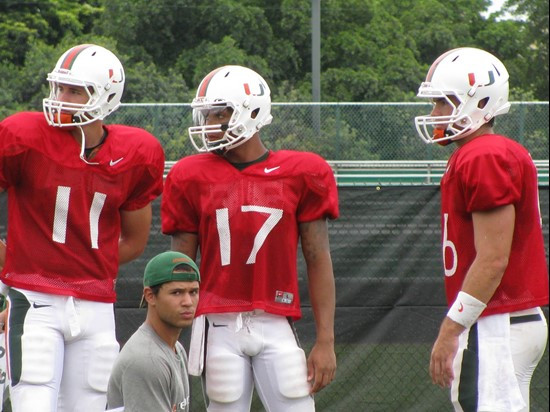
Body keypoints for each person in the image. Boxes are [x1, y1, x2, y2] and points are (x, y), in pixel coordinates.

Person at [161, 65, 339, 411]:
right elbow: (179, 269)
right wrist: (166, 340)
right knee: (224, 403)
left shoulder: (303, 172)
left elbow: (318, 259)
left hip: (276, 318)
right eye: (206, 113)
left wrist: (326, 339)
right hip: (218, 322)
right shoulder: (190, 175)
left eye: (219, 112)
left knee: (296, 402)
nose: (209, 122)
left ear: (251, 111)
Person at [0, 43, 165, 411]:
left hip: (96, 306)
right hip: (35, 301)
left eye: (75, 90)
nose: (61, 97)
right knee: (34, 400)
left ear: (106, 96)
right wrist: (11, 266)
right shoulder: (23, 135)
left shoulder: (136, 152)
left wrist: (81, 265)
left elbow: (135, 241)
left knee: (91, 406)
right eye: (59, 87)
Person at [414, 47, 549, 411]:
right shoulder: (478, 153)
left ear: (478, 101)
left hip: (497, 322)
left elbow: (491, 260)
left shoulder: (483, 154)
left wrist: (451, 328)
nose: (435, 114)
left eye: (443, 103)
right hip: (505, 319)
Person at [107, 251, 200, 412]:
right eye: (176, 292)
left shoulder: (177, 348)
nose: (188, 302)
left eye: (193, 292)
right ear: (150, 296)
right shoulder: (146, 359)